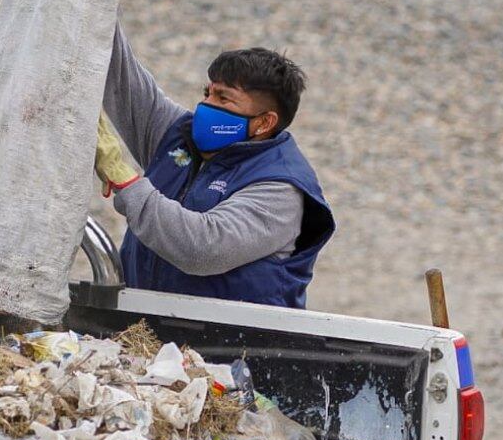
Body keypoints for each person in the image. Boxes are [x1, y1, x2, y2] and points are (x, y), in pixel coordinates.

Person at [95, 25, 335, 308]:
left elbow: (203, 247)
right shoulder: (177, 135)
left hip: (237, 346)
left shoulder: (281, 187)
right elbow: (120, 73)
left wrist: (126, 183)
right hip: (147, 331)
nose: (205, 106)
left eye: (223, 98)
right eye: (207, 93)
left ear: (264, 123)